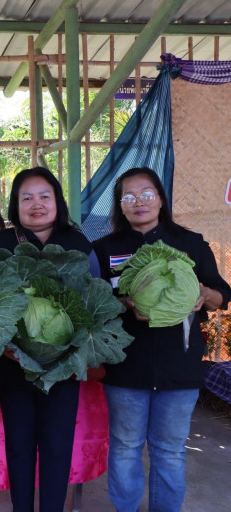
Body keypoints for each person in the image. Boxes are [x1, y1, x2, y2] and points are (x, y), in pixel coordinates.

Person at [92, 167, 231, 512]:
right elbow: (92, 301)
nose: (139, 202)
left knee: (169, 450)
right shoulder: (104, 249)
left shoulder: (190, 243)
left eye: (146, 194)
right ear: (120, 205)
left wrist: (204, 295)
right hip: (125, 366)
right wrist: (125, 303)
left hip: (179, 367)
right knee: (125, 446)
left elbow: (222, 295)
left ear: (160, 199)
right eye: (129, 197)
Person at [0, 167, 96, 512]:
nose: (36, 204)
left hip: (64, 365)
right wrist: (2, 342)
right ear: (15, 205)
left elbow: (95, 303)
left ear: (57, 202)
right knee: (18, 447)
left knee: (57, 448)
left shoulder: (78, 243)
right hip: (12, 364)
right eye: (27, 198)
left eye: (45, 196)